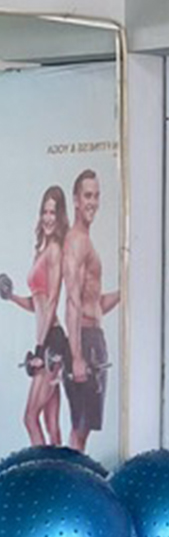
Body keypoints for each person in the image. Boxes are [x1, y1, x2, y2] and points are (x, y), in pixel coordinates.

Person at [2, 185, 69, 446]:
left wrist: (41, 349)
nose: (48, 218)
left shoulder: (55, 251)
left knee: (30, 418)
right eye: (45, 212)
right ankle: (59, 468)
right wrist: (11, 296)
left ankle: (42, 469)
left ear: (60, 217)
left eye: (53, 212)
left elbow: (51, 302)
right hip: (46, 339)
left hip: (51, 341)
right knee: (52, 426)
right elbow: (37, 303)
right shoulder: (40, 252)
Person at [61, 170, 119, 455]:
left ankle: (76, 477)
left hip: (92, 337)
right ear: (75, 200)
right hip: (83, 341)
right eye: (87, 195)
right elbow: (72, 301)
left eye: (96, 196)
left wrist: (125, 291)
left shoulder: (86, 240)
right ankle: (72, 479)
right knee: (79, 428)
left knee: (84, 430)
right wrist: (76, 357)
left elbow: (94, 305)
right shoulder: (76, 241)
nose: (92, 202)